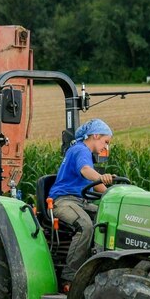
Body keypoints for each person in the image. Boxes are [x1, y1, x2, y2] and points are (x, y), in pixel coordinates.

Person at [48, 118, 114, 287]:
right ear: (95, 135)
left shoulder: (84, 153)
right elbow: (86, 171)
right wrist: (101, 177)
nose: (106, 147)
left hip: (80, 201)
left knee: (109, 220)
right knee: (85, 226)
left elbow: (94, 183)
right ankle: (70, 277)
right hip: (63, 201)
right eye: (106, 142)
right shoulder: (80, 149)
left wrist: (113, 195)